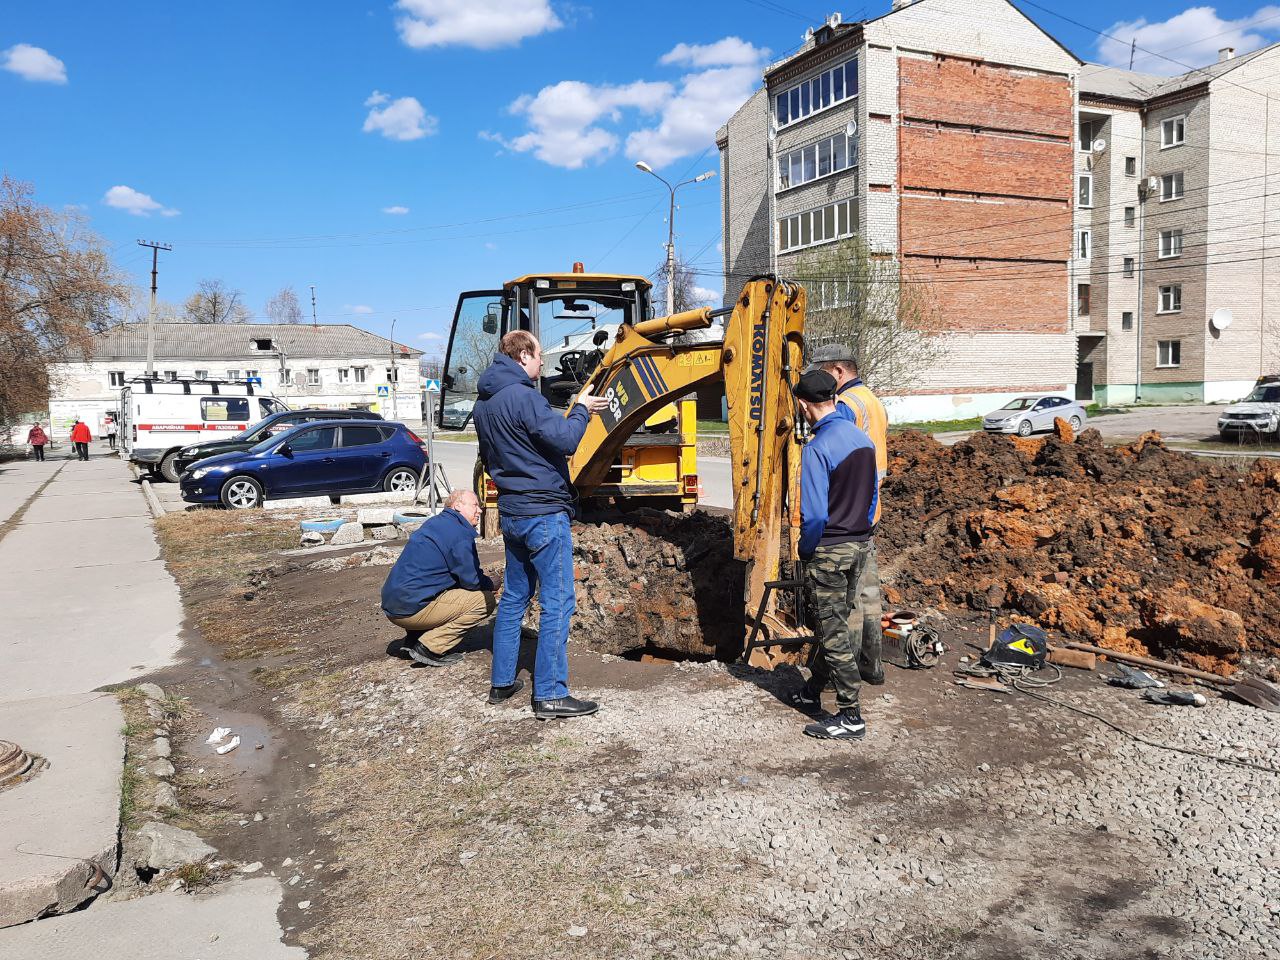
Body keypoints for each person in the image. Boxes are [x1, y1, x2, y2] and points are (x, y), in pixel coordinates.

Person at [472, 329, 609, 719]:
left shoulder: (484, 404)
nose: (541, 365)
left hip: (513, 514)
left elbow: (514, 448)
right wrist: (581, 408)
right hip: (544, 515)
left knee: (515, 598)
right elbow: (565, 440)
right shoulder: (524, 397)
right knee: (557, 602)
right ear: (521, 356)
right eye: (538, 358)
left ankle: (502, 682)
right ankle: (549, 694)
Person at [791, 370, 882, 741]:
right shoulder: (861, 439)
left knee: (833, 632)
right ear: (834, 395)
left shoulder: (816, 448)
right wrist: (863, 531)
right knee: (841, 622)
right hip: (861, 544)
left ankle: (850, 716)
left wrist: (805, 549)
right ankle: (811, 692)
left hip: (829, 550)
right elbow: (874, 495)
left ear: (802, 404)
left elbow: (812, 514)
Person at [810, 343, 887, 687]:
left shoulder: (845, 406)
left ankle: (843, 676)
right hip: (869, 509)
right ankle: (872, 666)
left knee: (847, 604)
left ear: (838, 372)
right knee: (869, 595)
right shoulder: (872, 400)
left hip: (845, 515)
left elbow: (833, 446)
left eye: (824, 375)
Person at [380, 489, 497, 668]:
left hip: (394, 604)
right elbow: (471, 581)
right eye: (475, 505)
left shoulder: (435, 523)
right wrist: (491, 583)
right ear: (457, 506)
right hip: (410, 609)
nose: (480, 510)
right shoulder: (459, 534)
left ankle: (413, 639)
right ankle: (429, 647)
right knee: (485, 600)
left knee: (444, 585)